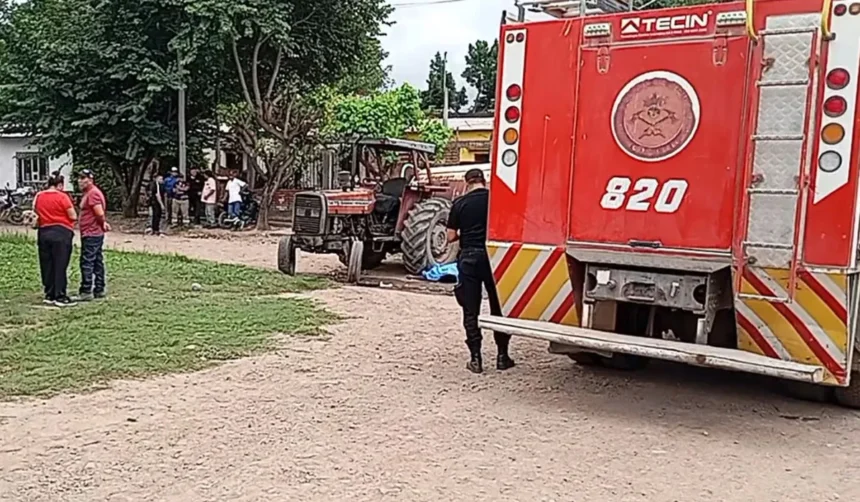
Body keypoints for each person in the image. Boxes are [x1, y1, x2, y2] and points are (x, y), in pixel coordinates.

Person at [447, 168, 514, 374]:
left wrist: (466, 233)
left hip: (469, 258)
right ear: (484, 181)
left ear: (467, 182)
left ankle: (476, 359)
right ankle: (502, 356)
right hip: (493, 257)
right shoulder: (496, 201)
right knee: (498, 307)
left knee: (471, 309)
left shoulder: (459, 204)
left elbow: (450, 237)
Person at [33, 172, 77, 307]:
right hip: (61, 232)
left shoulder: (39, 196)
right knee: (60, 264)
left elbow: (35, 211)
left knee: (47, 264)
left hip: (44, 231)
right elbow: (73, 216)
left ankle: (49, 293)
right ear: (60, 185)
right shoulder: (63, 196)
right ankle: (60, 295)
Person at [74, 169, 110, 301]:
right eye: (79, 178)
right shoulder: (89, 193)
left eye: (83, 178)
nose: (80, 181)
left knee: (87, 261)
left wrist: (102, 223)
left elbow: (99, 212)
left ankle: (86, 290)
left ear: (90, 179)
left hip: (92, 232)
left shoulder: (93, 194)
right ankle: (99, 288)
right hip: (92, 232)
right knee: (97, 261)